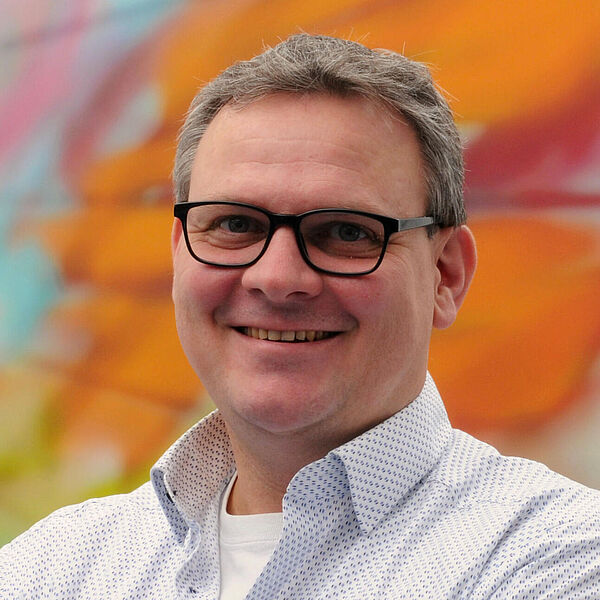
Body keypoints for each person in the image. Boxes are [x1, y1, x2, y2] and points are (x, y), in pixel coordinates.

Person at [1, 33, 599, 600]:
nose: (278, 277)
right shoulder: (55, 567)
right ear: (180, 253)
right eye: (235, 224)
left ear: (445, 274)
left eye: (346, 232)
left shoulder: (558, 559)